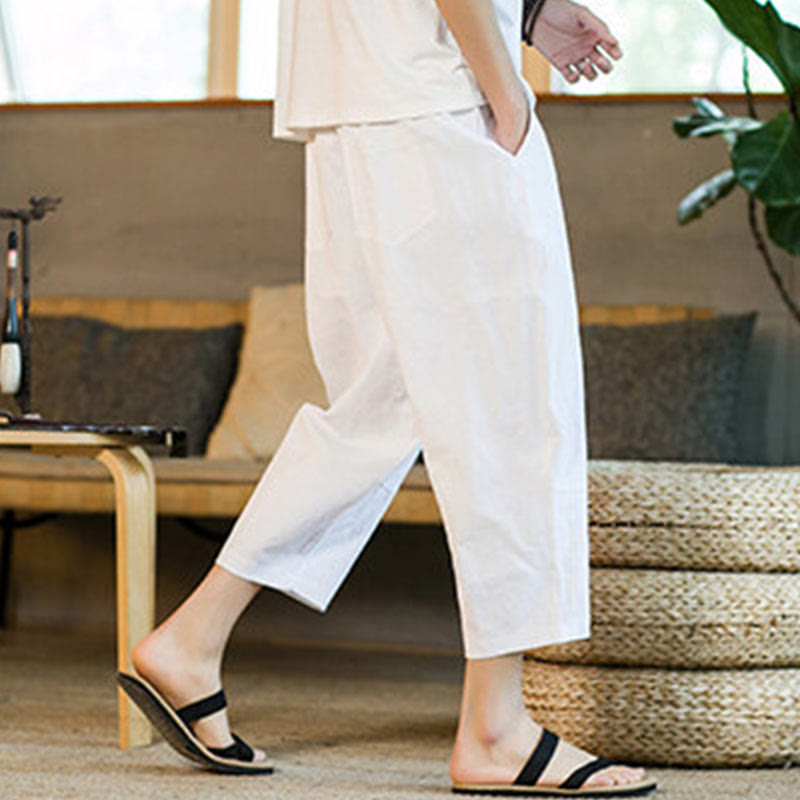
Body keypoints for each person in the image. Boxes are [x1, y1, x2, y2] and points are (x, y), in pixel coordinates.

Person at [119, 1, 658, 796]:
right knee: (511, 408)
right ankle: (496, 728)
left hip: (351, 107)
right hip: (438, 105)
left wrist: (524, 10)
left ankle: (194, 638)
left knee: (380, 404)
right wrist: (505, 88)